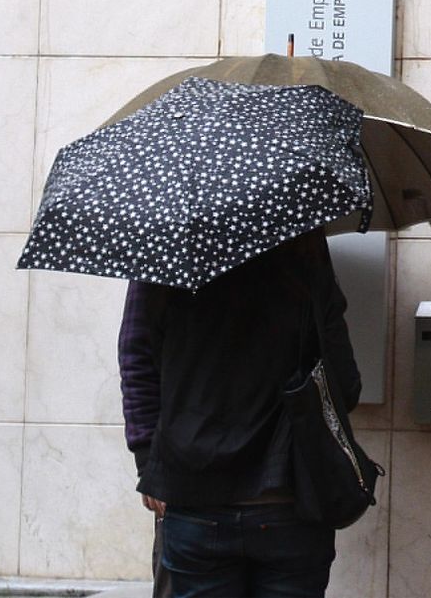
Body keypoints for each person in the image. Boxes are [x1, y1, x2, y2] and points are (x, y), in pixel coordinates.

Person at [119, 230, 359, 598]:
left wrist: (146, 457)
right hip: (289, 497)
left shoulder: (167, 242)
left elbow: (136, 355)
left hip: (193, 493)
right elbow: (345, 384)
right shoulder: (301, 243)